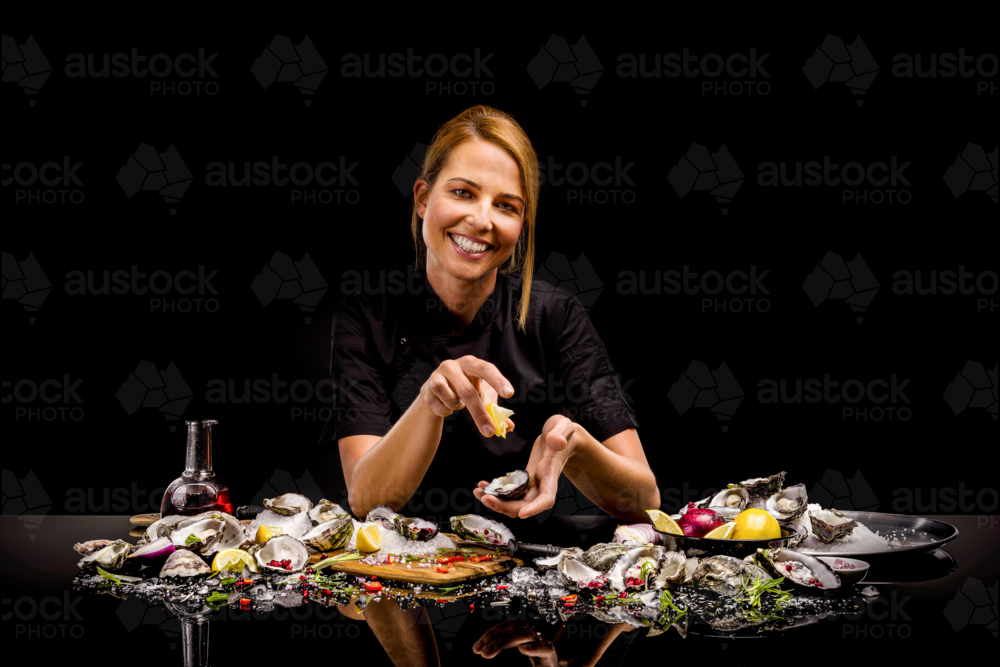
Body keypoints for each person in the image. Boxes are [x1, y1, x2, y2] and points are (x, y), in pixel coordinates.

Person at [321, 105, 660, 542]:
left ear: (521, 224)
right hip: (399, 567)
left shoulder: (555, 315)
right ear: (423, 198)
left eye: (506, 205)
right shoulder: (365, 316)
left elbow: (645, 501)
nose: (482, 220)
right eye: (462, 192)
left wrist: (576, 446)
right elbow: (368, 500)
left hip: (522, 562)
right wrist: (430, 404)